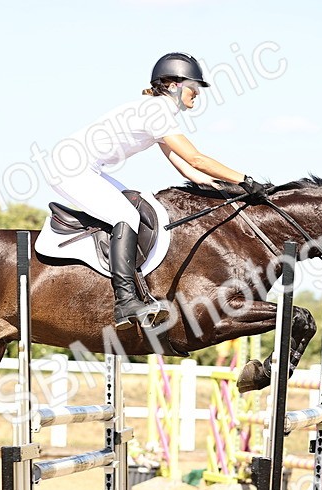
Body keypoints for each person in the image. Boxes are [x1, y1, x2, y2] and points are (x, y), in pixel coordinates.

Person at [47, 52, 270, 329]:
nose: (197, 94)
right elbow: (196, 158)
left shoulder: (159, 112)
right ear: (174, 85)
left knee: (138, 206)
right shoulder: (156, 111)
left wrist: (230, 189)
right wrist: (245, 179)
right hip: (69, 167)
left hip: (87, 168)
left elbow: (188, 170)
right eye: (194, 87)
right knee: (126, 216)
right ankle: (125, 300)